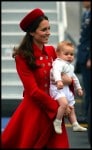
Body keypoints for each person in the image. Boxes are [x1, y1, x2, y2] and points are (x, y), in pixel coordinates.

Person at [1, 8, 73, 148]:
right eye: (43, 29)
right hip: (35, 112)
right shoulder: (22, 57)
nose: (48, 33)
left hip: (54, 112)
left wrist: (67, 100)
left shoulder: (52, 51)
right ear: (32, 32)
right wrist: (57, 107)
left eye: (49, 28)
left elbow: (62, 79)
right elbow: (33, 91)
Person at [49, 41, 87, 134]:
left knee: (71, 106)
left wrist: (78, 88)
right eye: (66, 54)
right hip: (57, 88)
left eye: (71, 54)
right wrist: (58, 81)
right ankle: (57, 122)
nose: (69, 56)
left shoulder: (70, 66)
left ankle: (75, 124)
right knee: (64, 104)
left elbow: (74, 77)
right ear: (58, 54)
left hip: (65, 89)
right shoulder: (58, 63)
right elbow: (56, 72)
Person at [76, 1, 91, 124]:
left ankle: (88, 115)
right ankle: (86, 114)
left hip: (88, 56)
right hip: (83, 55)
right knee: (86, 88)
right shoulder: (86, 14)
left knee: (89, 89)